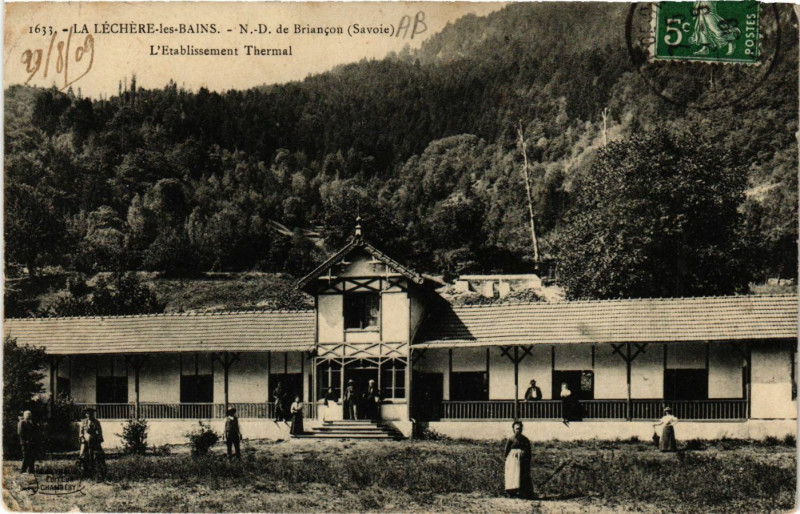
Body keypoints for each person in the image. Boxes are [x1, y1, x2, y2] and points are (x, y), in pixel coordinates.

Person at [503, 421, 534, 499]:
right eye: (516, 429)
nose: (518, 430)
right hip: (512, 460)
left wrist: (528, 459)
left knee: (522, 475)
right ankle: (512, 492)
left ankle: (524, 493)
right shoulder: (511, 439)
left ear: (522, 429)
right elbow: (506, 450)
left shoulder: (525, 439)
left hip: (523, 460)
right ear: (513, 429)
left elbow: (528, 450)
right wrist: (506, 459)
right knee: (513, 475)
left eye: (520, 429)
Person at [79, 408, 105, 475]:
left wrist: (100, 438)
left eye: (90, 413)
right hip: (85, 440)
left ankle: (100, 469)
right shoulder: (84, 422)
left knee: (99, 454)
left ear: (93, 414)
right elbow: (81, 432)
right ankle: (83, 469)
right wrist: (82, 438)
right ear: (86, 414)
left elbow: (99, 431)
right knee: (82, 454)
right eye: (87, 413)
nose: (89, 415)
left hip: (94, 439)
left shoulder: (96, 422)